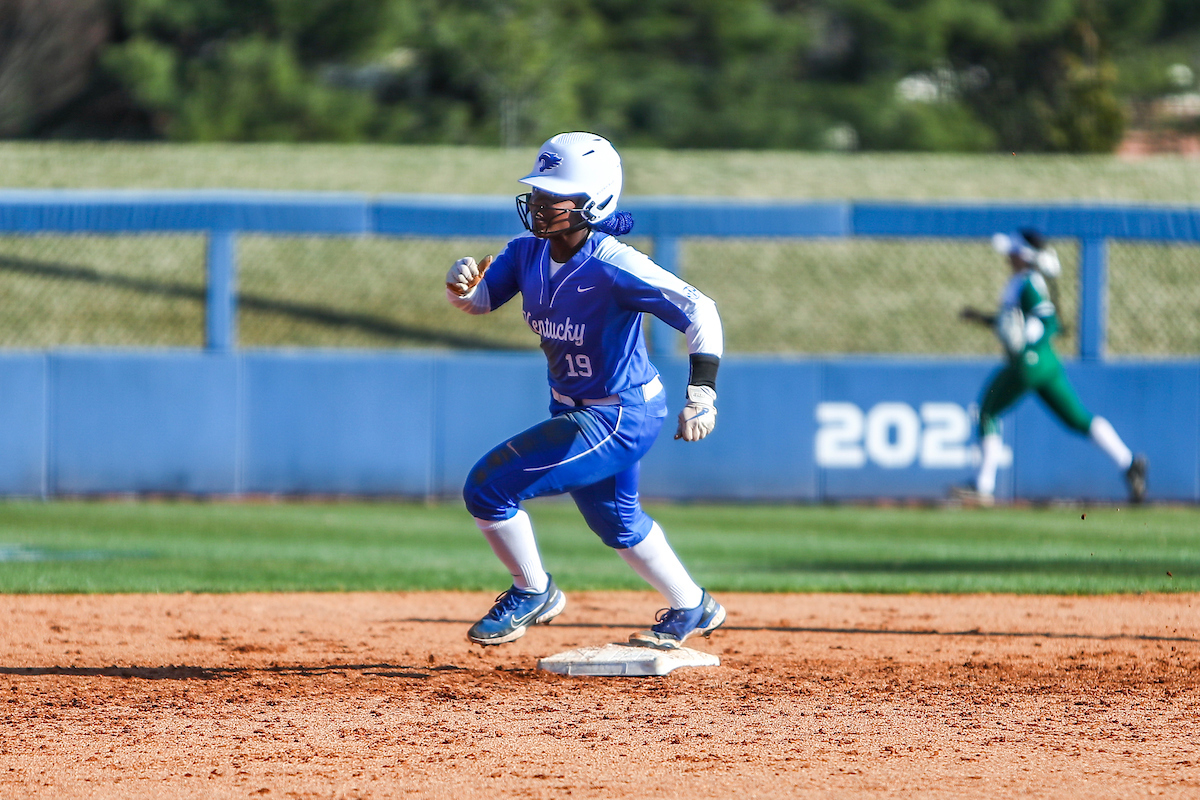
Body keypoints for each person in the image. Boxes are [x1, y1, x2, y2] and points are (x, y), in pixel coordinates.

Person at [444, 132, 726, 650]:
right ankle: (694, 605)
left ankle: (534, 590)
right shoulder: (525, 254)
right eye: (540, 192)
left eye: (557, 194)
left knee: (487, 488)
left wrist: (702, 393)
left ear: (594, 201)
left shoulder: (615, 264)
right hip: (579, 410)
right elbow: (481, 301)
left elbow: (699, 310)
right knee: (617, 523)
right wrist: (460, 288)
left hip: (619, 415)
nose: (542, 203)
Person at [955, 228, 1147, 506]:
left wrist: (1028, 338)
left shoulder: (1029, 283)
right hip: (1046, 362)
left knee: (988, 411)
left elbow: (1048, 322)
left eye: (1013, 252)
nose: (1008, 257)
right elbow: (1011, 322)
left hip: (1030, 361)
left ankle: (983, 486)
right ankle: (1129, 463)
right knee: (1077, 418)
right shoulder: (1023, 281)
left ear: (1024, 255)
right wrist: (982, 318)